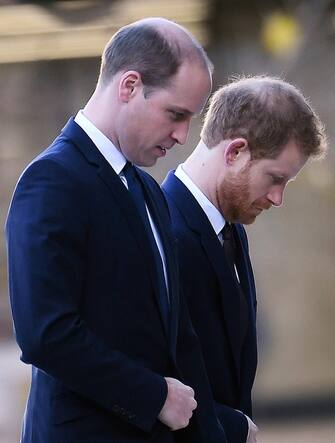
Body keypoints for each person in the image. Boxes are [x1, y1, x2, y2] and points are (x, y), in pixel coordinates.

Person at [5, 17, 228, 443]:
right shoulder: (52, 180)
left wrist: (215, 430)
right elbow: (45, 335)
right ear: (129, 86)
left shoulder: (147, 189)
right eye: (175, 115)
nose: (182, 136)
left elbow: (176, 336)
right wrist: (152, 396)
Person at [162, 76, 327, 443]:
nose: (278, 197)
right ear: (235, 151)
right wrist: (231, 427)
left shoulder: (230, 227)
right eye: (275, 178)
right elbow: (159, 375)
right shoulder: (165, 233)